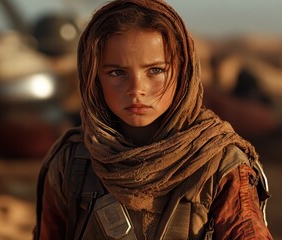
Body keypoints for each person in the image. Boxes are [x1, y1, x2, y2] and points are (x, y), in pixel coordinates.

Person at [34, 0, 273, 239]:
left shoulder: (220, 165)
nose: (136, 89)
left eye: (156, 70)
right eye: (117, 72)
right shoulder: (72, 162)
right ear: (94, 79)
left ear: (183, 73)